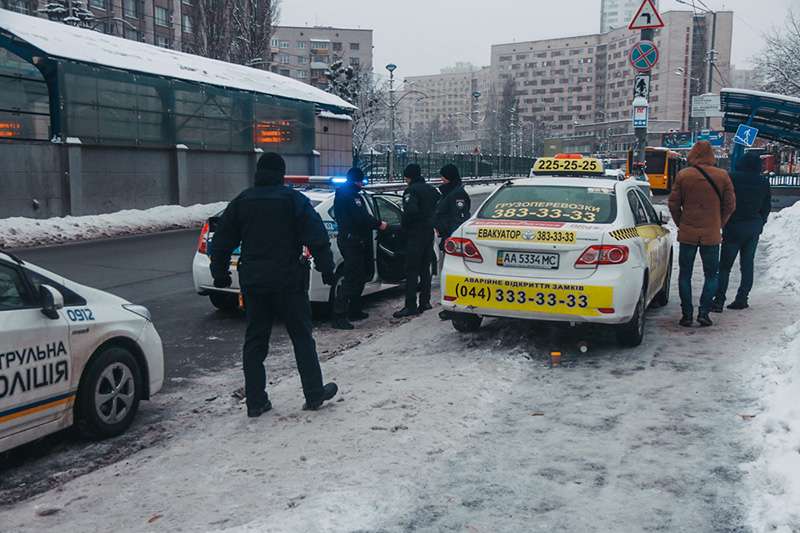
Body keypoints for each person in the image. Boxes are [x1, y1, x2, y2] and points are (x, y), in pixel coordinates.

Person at [210, 153, 339, 418]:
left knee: (255, 340)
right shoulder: (294, 201)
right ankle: (314, 394)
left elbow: (221, 240)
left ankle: (256, 401)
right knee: (302, 337)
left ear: (258, 172)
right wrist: (327, 269)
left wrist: (220, 274)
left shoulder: (242, 201)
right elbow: (317, 236)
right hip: (289, 281)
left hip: (254, 282)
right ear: (281, 174)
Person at [668, 141, 736, 328]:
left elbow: (673, 204)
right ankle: (704, 313)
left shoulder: (683, 175)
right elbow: (730, 205)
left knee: (685, 274)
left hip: (688, 232)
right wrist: (718, 223)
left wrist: (681, 222)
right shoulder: (722, 176)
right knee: (711, 275)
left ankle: (687, 315)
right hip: (711, 234)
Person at [712, 152, 771, 312]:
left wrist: (722, 221)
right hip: (753, 229)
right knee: (747, 265)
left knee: (724, 267)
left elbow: (723, 200)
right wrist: (760, 222)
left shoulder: (731, 178)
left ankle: (718, 300)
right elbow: (766, 206)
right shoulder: (763, 181)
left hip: (733, 228)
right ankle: (742, 298)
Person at [331, 167, 388, 330]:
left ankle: (355, 309)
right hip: (352, 241)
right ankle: (339, 315)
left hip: (353, 240)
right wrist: (379, 224)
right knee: (351, 277)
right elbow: (360, 217)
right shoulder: (351, 196)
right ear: (356, 180)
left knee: (359, 276)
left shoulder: (347, 194)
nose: (362, 184)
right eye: (361, 181)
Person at [393, 163, 440, 318]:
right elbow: (437, 209)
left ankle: (410, 305)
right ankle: (425, 302)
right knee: (424, 269)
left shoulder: (411, 191)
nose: (405, 180)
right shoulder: (432, 190)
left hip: (415, 234)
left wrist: (404, 226)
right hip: (428, 233)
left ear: (409, 176)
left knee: (411, 270)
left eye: (406, 177)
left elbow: (410, 212)